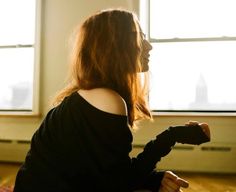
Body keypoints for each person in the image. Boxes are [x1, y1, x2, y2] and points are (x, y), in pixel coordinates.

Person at [13, 8, 210, 192]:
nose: (149, 46)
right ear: (114, 45)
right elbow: (118, 183)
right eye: (139, 37)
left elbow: (104, 173)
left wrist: (154, 179)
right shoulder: (106, 98)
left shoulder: (95, 96)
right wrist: (172, 135)